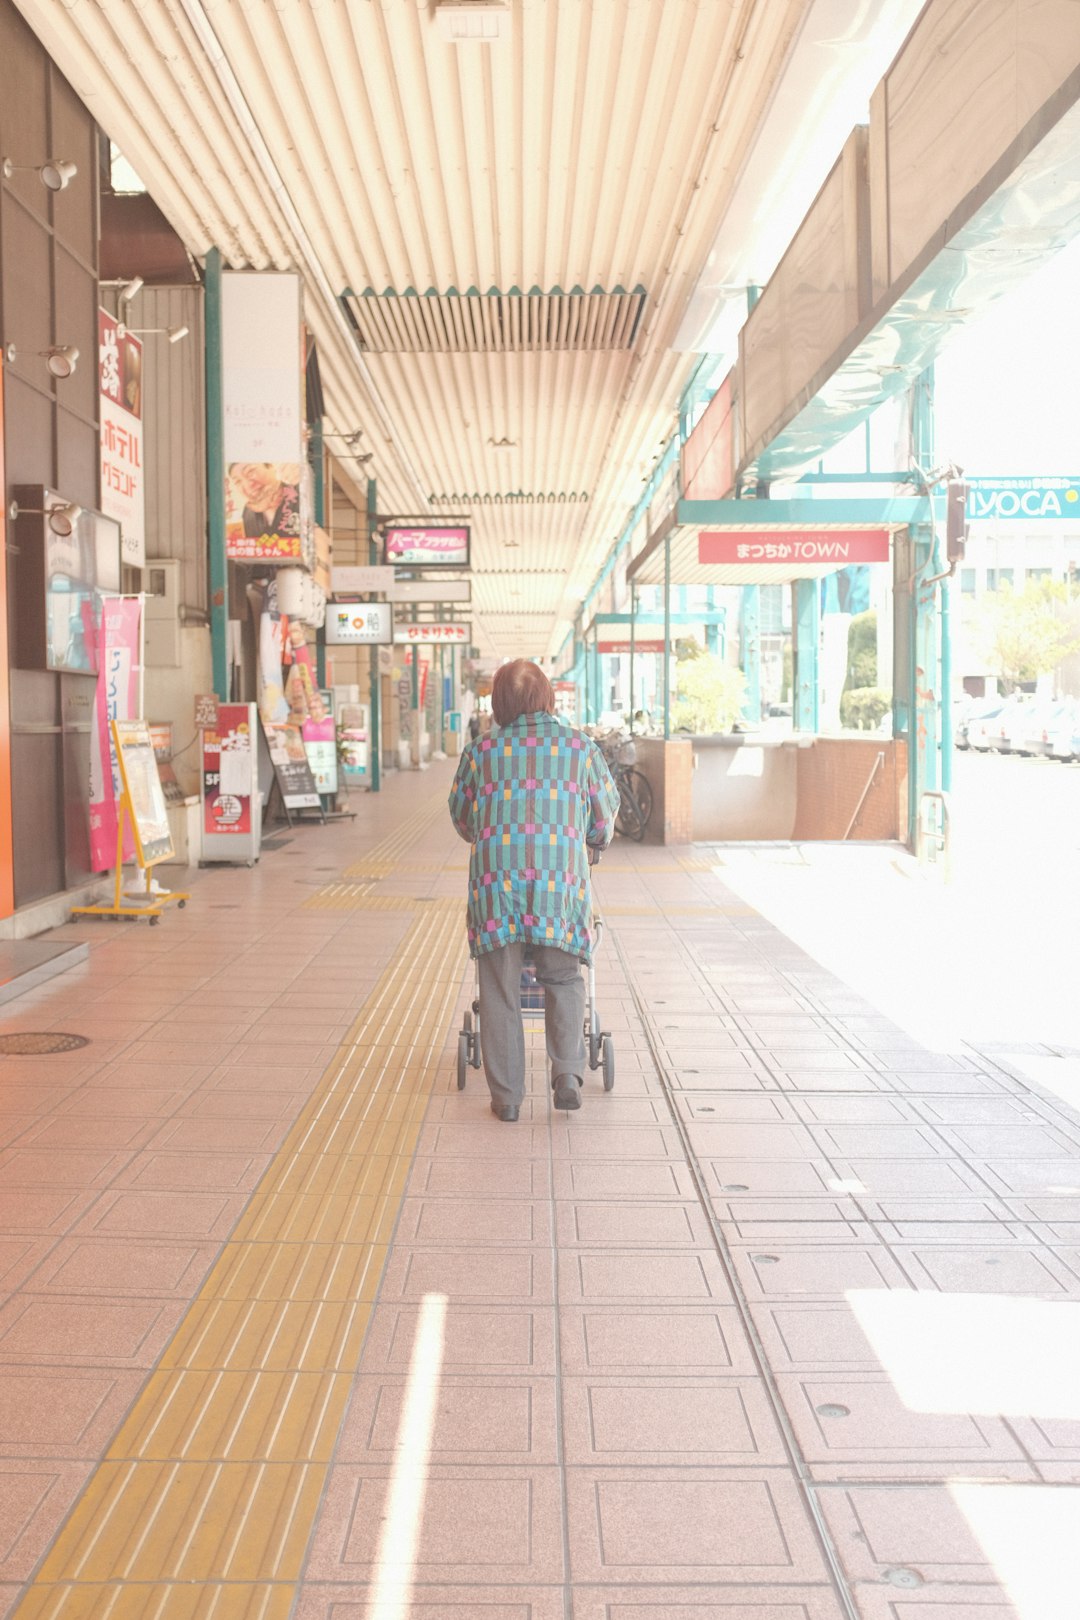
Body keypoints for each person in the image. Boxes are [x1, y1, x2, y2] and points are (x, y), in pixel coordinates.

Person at [448, 659, 620, 1122]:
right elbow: (603, 819)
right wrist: (589, 843)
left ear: (499, 703)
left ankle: (506, 1099)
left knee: (500, 990)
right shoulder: (580, 748)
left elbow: (462, 817)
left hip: (495, 886)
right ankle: (566, 1074)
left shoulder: (479, 752)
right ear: (548, 697)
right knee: (563, 979)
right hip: (559, 888)